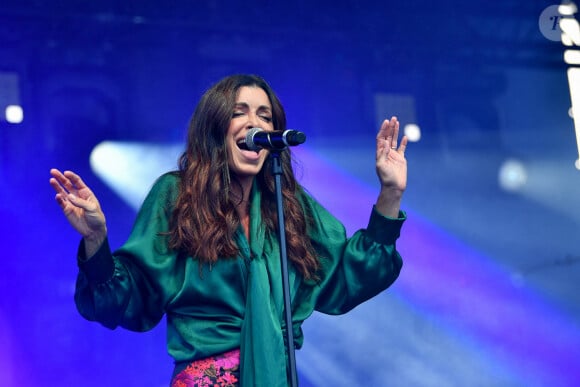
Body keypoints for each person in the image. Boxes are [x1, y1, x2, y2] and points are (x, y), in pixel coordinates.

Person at [49, 74, 408, 386]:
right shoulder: (177, 195)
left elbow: (347, 275)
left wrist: (390, 193)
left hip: (279, 374)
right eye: (240, 112)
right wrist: (96, 239)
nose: (255, 124)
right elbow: (129, 295)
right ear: (215, 127)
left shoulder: (289, 206)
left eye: (265, 116)